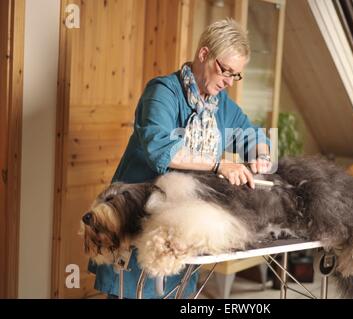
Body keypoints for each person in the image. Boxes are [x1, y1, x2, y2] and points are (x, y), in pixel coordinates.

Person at [88, 18, 272, 299]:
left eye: (236, 75)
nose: (228, 82)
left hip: (180, 228)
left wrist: (260, 155)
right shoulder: (162, 92)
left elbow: (254, 137)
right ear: (204, 54)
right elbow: (162, 150)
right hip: (137, 218)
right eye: (225, 71)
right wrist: (219, 164)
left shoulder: (222, 107)